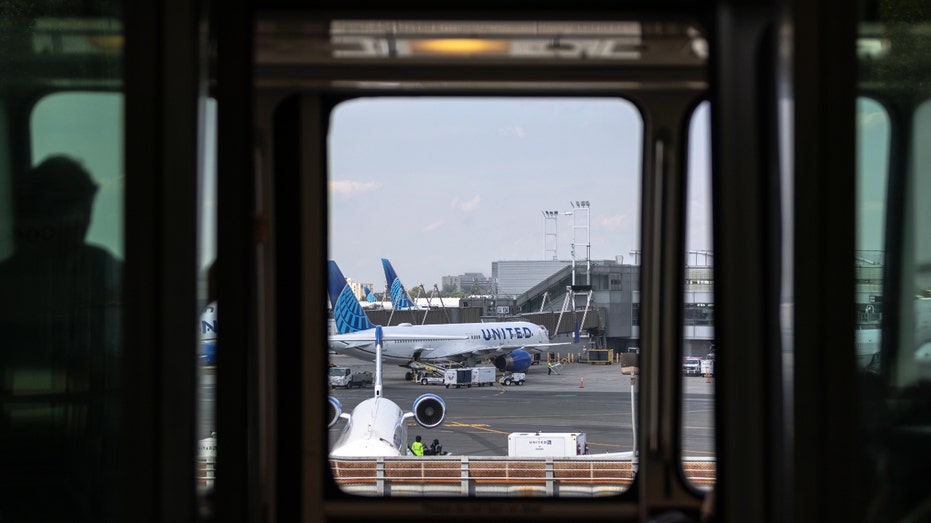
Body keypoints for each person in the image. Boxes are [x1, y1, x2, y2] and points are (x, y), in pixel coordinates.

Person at [0, 155, 123, 522]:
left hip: (96, 447)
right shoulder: (9, 285)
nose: (82, 225)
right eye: (74, 214)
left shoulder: (105, 269)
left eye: (86, 214)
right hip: (24, 455)